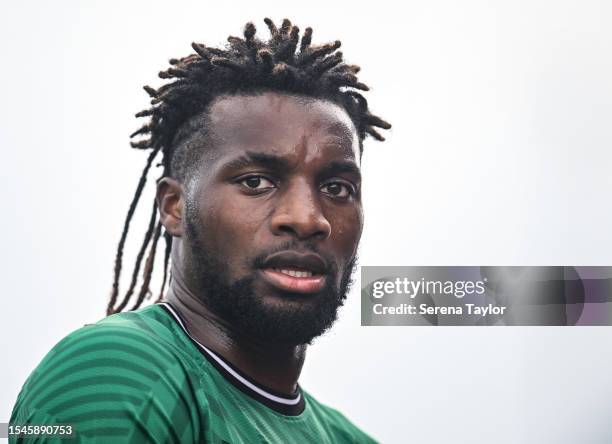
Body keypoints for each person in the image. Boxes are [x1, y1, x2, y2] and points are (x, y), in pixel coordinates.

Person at [10, 17, 390, 443]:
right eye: (256, 182)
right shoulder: (120, 370)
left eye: (337, 188)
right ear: (174, 207)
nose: (308, 218)